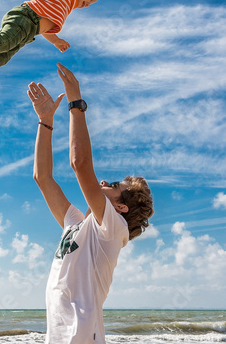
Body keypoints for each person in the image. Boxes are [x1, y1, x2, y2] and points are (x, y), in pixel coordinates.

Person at [27, 63, 154, 344]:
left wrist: (76, 103)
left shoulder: (113, 229)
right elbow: (43, 177)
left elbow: (80, 163)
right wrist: (45, 121)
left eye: (115, 187)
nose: (106, 182)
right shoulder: (74, 223)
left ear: (121, 208)